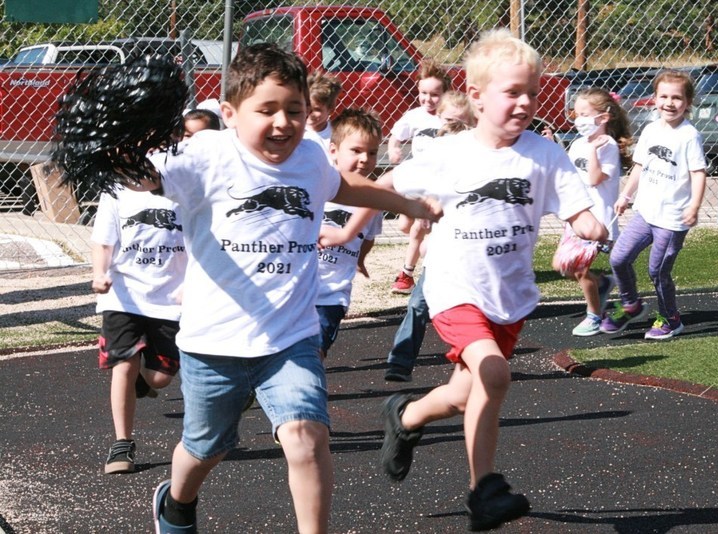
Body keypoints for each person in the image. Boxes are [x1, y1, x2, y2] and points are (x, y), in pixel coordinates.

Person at [132, 44, 439, 533]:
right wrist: (122, 153)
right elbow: (149, 176)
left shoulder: (310, 159)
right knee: (206, 447)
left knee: (307, 436)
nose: (282, 123)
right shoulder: (206, 154)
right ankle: (175, 503)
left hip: (290, 338)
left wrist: (410, 204)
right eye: (267, 110)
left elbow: (347, 188)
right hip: (215, 344)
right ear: (230, 114)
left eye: (294, 111)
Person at [377, 29, 606, 531]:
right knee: (494, 374)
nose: (525, 102)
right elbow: (387, 185)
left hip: (509, 296)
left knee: (466, 393)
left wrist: (591, 233)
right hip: (455, 288)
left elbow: (582, 212)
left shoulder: (544, 154)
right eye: (512, 92)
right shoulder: (451, 153)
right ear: (477, 96)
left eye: (533, 91)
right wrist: (347, 229)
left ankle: (407, 416)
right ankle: (484, 491)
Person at [600, 69, 707, 340]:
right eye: (664, 96)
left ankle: (671, 318)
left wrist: (694, 205)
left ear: (688, 102)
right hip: (645, 213)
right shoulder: (650, 129)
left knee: (657, 270)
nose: (669, 103)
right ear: (655, 98)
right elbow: (639, 166)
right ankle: (630, 304)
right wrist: (625, 196)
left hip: (672, 219)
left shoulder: (688, 136)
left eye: (677, 98)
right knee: (619, 258)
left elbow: (698, 173)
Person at [90, 185, 186, 474]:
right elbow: (103, 243)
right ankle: (122, 443)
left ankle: (141, 382)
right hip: (123, 295)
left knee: (159, 378)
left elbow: (200, 239)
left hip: (170, 299)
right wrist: (99, 273)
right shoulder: (115, 192)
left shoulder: (184, 186)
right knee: (124, 363)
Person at [384, 95, 476, 382]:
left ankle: (474, 358)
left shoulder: (479, 153)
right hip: (443, 250)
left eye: (460, 123)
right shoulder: (437, 150)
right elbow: (415, 181)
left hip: (471, 251)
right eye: (449, 121)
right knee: (418, 304)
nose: (454, 128)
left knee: (471, 308)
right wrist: (424, 204)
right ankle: (400, 361)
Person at [557, 87, 633, 336]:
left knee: (580, 269)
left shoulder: (607, 145)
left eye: (584, 114)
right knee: (563, 266)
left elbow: (593, 178)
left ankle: (594, 315)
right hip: (578, 217)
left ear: (602, 117)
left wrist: (593, 151)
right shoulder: (578, 143)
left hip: (599, 220)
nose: (578, 120)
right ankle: (602, 284)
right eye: (575, 114)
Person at [316, 108, 384, 359]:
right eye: (356, 151)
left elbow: (368, 237)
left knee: (317, 350)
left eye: (373, 152)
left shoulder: (373, 199)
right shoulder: (318, 187)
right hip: (297, 288)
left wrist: (360, 261)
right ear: (333, 151)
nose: (365, 159)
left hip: (332, 293)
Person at [387, 59, 452, 294]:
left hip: (438, 182)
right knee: (406, 225)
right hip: (416, 180)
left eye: (435, 94)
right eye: (423, 93)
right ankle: (431, 247)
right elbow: (397, 135)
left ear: (446, 94)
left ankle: (407, 275)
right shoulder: (415, 116)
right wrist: (394, 148)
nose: (428, 99)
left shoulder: (450, 116)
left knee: (417, 228)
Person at [306, 71, 343, 147]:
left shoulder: (334, 135)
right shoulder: (296, 132)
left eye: (317, 109)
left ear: (330, 109)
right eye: (307, 106)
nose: (310, 113)